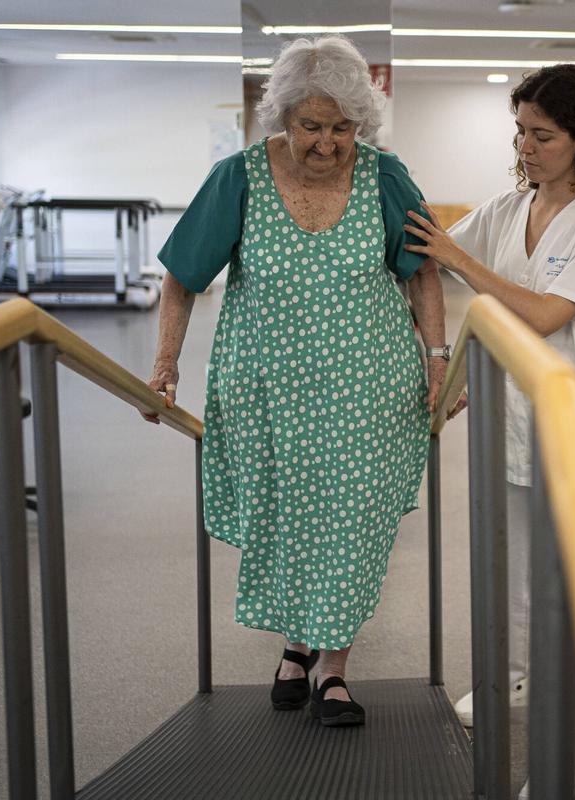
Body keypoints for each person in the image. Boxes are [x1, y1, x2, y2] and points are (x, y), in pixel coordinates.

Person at [146, 35, 449, 728]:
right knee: (288, 518)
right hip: (267, 392)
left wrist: (438, 360)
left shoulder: (384, 176)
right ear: (282, 115)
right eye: (312, 126)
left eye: (343, 128)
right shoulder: (239, 177)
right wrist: (165, 367)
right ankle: (295, 649)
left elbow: (423, 271)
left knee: (349, 525)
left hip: (368, 391)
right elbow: (182, 278)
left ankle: (332, 672)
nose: (328, 143)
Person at [402, 63, 575, 797]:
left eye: (543, 135)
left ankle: (571, 749)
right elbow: (425, 257)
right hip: (506, 426)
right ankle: (507, 684)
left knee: (571, 601)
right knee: (510, 587)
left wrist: (456, 258)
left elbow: (541, 315)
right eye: (520, 133)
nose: (525, 148)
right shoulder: (508, 209)